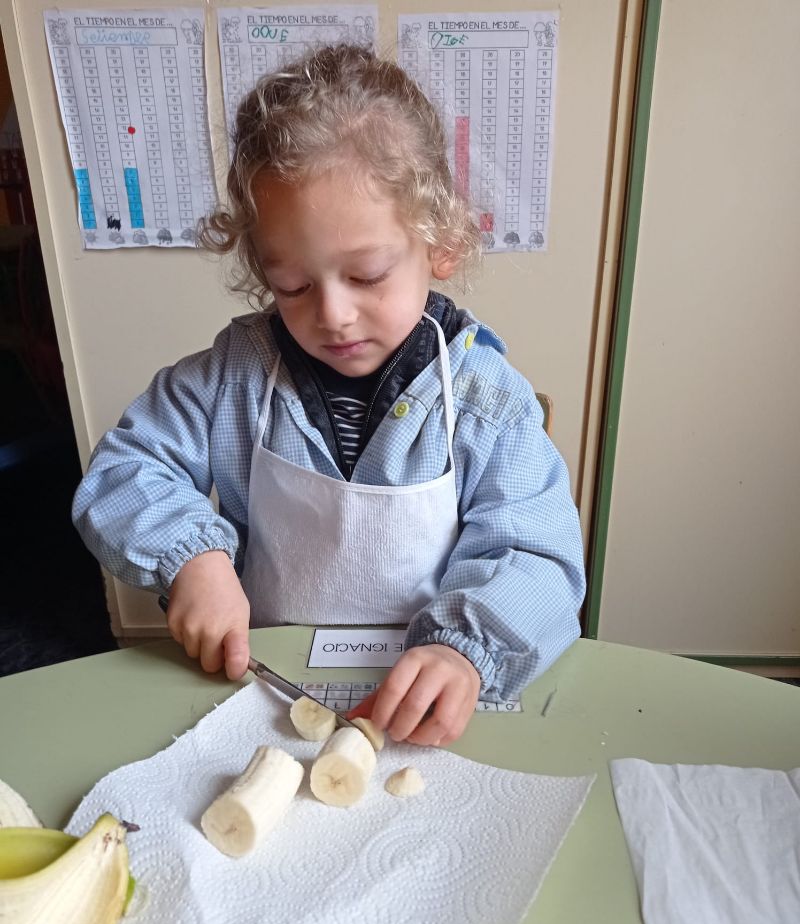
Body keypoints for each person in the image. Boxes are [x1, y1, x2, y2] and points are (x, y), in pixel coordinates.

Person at [73, 44, 585, 747]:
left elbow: (538, 557)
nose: (333, 315)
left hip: (424, 706)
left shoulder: (487, 402)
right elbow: (124, 469)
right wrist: (191, 556)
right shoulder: (233, 378)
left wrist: (467, 651)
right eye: (293, 286)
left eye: (367, 276)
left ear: (439, 243)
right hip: (267, 692)